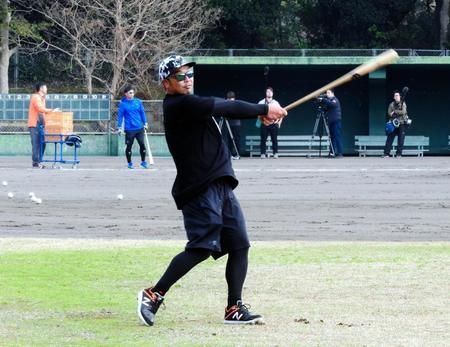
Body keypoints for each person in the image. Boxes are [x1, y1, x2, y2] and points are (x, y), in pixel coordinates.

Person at [137, 54, 287, 327]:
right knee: (201, 248)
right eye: (180, 76)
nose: (187, 79)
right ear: (166, 84)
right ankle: (153, 294)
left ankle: (234, 308)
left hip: (221, 185)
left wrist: (263, 112)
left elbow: (223, 109)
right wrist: (264, 109)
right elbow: (224, 106)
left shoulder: (191, 104)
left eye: (189, 74)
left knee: (240, 245)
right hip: (199, 189)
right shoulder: (178, 105)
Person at [117, 85, 149, 169]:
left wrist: (145, 123)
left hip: (139, 128)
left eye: (133, 92)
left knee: (142, 144)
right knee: (129, 146)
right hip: (129, 129)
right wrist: (119, 127)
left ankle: (143, 162)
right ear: (126, 94)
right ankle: (130, 163)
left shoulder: (138, 102)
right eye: (130, 93)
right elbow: (120, 116)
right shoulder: (123, 104)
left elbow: (142, 113)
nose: (132, 94)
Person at [28, 82, 57, 168]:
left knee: (42, 143)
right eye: (45, 87)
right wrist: (52, 110)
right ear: (41, 88)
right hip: (34, 124)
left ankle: (38, 161)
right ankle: (36, 162)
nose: (47, 89)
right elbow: (40, 108)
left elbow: (43, 111)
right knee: (36, 143)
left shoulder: (42, 98)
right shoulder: (35, 97)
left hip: (41, 125)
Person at [383, 91, 408, 158]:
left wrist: (395, 112)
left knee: (401, 139)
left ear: (400, 96)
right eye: (395, 95)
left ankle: (398, 154)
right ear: (394, 97)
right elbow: (389, 113)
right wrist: (394, 113)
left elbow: (403, 112)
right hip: (393, 123)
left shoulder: (403, 104)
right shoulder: (391, 104)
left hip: (401, 123)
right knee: (389, 139)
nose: (396, 96)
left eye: (398, 95)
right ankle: (386, 154)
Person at [258, 87, 282, 158]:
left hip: (273, 124)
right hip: (264, 123)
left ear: (273, 93)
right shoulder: (261, 102)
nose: (269, 93)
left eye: (270, 92)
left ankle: (275, 153)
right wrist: (261, 120)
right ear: (265, 93)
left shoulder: (276, 103)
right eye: (267, 92)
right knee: (263, 139)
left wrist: (279, 122)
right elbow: (257, 113)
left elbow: (281, 113)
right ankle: (262, 153)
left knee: (274, 139)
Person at [320, 89, 343, 158]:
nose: (327, 94)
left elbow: (332, 104)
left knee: (337, 137)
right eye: (326, 93)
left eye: (328, 92)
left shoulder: (335, 100)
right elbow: (326, 108)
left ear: (333, 93)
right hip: (331, 122)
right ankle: (332, 153)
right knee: (332, 138)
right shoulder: (329, 101)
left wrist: (323, 99)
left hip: (336, 121)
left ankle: (340, 153)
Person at [224, 91, 241, 159]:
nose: (230, 101)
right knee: (229, 140)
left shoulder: (237, 104)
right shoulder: (226, 105)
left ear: (234, 99)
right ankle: (230, 154)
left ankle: (238, 154)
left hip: (236, 124)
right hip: (229, 124)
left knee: (237, 139)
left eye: (231, 99)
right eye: (228, 99)